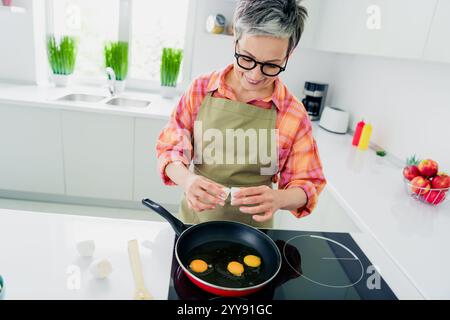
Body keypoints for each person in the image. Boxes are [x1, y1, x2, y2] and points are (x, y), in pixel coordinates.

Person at [157, 0, 326, 228]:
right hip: (195, 226)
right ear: (236, 37)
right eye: (246, 58)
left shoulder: (292, 113)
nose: (255, 75)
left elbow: (308, 183)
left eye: (271, 65)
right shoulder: (201, 90)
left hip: (254, 236)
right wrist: (188, 181)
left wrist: (279, 198)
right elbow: (170, 149)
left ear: (289, 54)